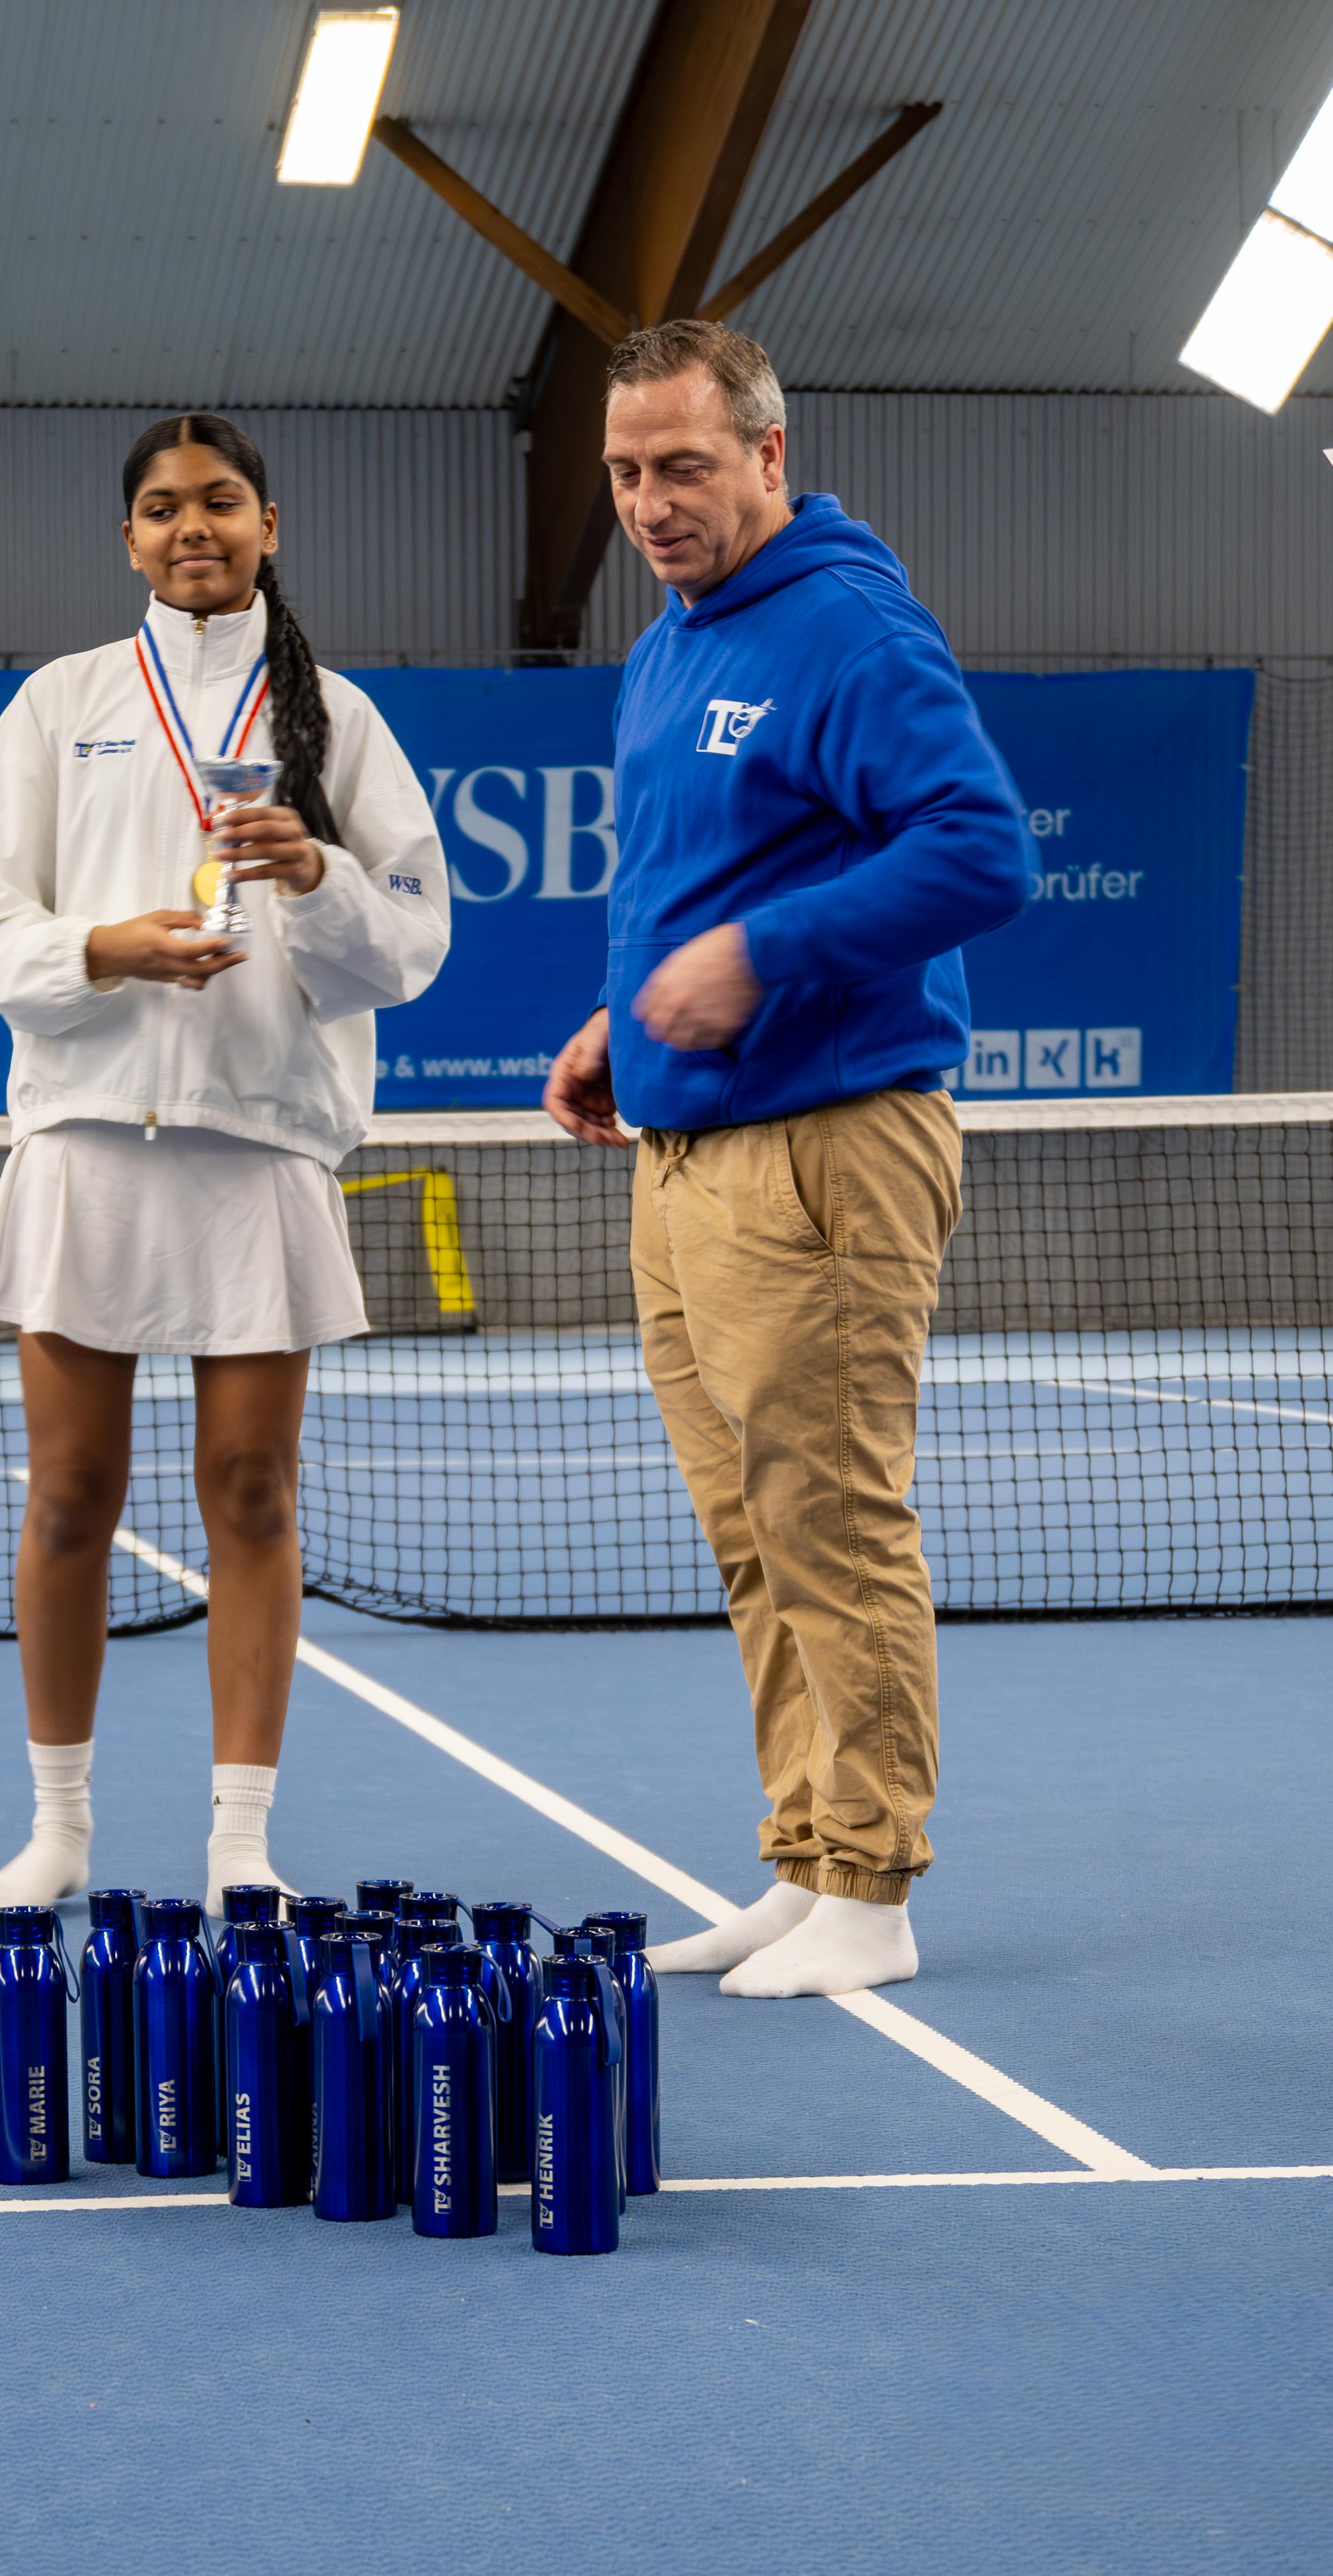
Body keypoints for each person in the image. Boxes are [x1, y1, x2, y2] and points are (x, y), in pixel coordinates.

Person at [546, 321, 1028, 1998]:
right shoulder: (665, 647)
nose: (648, 502)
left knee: (827, 1514)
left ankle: (873, 1891)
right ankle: (806, 1854)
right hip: (682, 1150)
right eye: (623, 472)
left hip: (824, 1140)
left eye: (681, 465)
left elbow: (980, 850)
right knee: (751, 1530)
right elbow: (698, 876)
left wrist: (759, 956)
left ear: (766, 454)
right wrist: (620, 1021)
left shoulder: (844, 627)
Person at [0, 412, 448, 1917]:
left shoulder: (338, 720)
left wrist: (319, 875)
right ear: (130, 540)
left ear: (267, 525)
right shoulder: (62, 703)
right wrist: (104, 950)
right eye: (162, 508)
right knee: (69, 1495)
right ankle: (59, 1829)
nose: (192, 528)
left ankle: (239, 1842)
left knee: (252, 1492)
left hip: (260, 1146)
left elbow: (409, 944)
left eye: (219, 501)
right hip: (86, 1141)